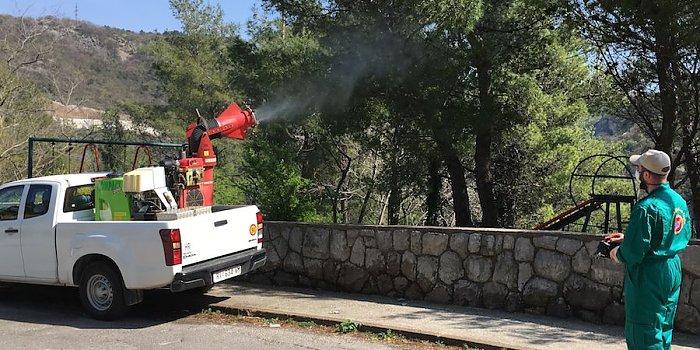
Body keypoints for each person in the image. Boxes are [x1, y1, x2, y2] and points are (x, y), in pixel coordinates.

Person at [605, 149, 692, 350]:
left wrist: (614, 252)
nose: (637, 172)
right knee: (662, 329)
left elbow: (633, 253)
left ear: (646, 175)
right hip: (671, 268)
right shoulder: (678, 201)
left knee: (643, 332)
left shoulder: (646, 207)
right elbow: (675, 234)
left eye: (639, 169)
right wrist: (628, 237)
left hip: (649, 274)